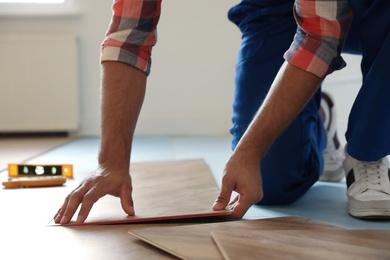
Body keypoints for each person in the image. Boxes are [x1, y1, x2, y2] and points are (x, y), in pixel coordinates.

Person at [54, 0, 390, 224]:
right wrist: (110, 162)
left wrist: (249, 149)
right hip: (275, 8)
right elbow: (129, 36)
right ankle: (317, 120)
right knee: (269, 183)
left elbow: (320, 37)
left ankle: (367, 151)